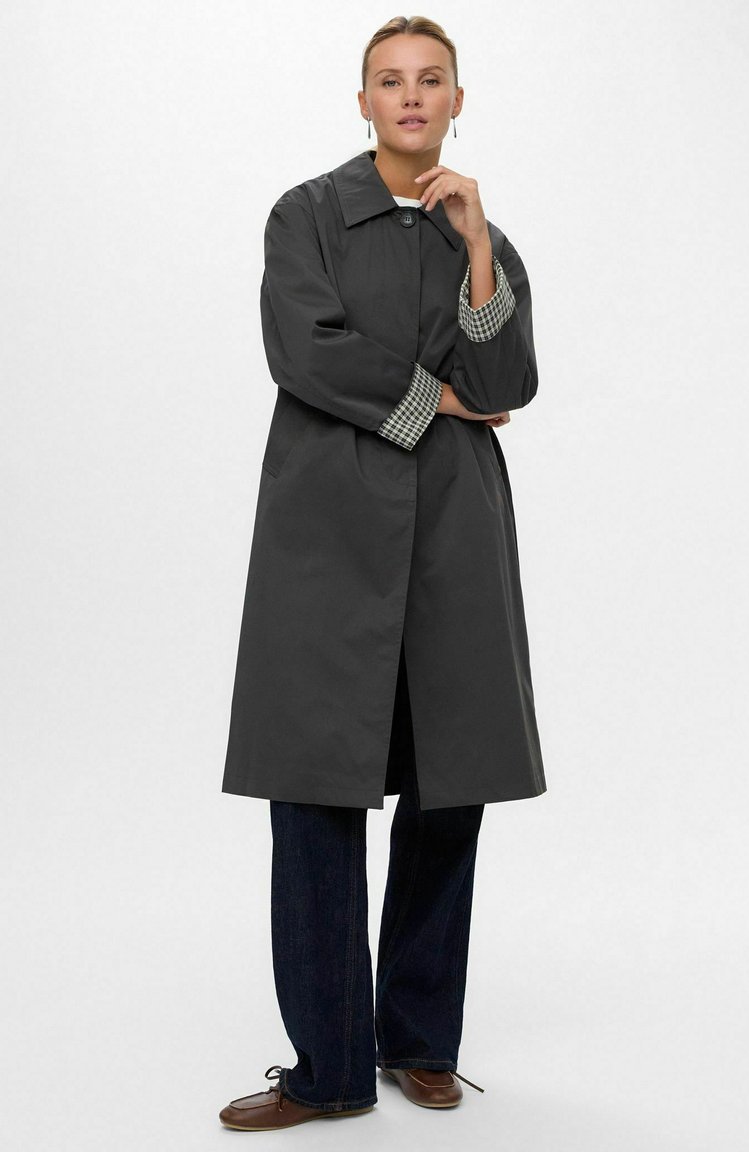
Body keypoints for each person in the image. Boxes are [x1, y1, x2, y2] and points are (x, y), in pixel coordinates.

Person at [218, 14, 547, 1132]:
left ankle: (419, 1042)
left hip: (454, 538)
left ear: (457, 100)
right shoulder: (305, 214)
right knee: (315, 792)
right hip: (325, 536)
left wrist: (477, 247)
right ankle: (328, 1069)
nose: (411, 95)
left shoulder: (483, 236)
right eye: (390, 80)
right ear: (362, 102)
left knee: (449, 790)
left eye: (431, 79)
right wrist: (435, 397)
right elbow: (304, 348)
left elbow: (508, 382)